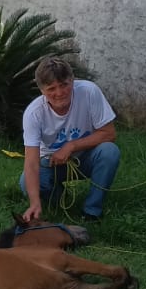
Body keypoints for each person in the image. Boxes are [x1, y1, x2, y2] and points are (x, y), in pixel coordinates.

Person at [19, 56, 120, 222]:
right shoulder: (33, 113)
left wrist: (71, 146)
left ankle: (92, 211)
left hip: (86, 157)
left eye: (64, 85)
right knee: (25, 183)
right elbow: (31, 163)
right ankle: (61, 200)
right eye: (51, 88)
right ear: (41, 90)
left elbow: (109, 133)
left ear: (72, 80)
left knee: (110, 151)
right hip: (51, 162)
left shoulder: (89, 91)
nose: (59, 93)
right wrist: (34, 203)